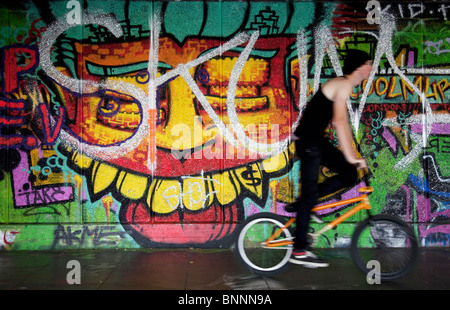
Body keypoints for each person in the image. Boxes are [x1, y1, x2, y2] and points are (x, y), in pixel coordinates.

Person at [287, 49, 372, 267]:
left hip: (317, 142)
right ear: (360, 66)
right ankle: (299, 251)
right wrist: (352, 157)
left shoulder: (344, 84)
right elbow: (340, 122)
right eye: (369, 63)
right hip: (309, 143)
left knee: (348, 173)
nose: (372, 68)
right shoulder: (343, 84)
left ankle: (307, 202)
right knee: (310, 195)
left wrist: (351, 162)